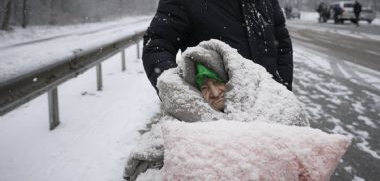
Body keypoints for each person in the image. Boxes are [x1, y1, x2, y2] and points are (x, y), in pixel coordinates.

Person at [124, 40, 310, 180]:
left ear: (230, 79)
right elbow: (142, 162)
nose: (213, 92)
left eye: (217, 82)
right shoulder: (183, 119)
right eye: (204, 87)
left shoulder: (265, 101)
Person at [142, 0, 294, 93]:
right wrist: (186, 97)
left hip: (268, 111)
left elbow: (282, 46)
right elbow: (156, 48)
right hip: (217, 117)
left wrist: (282, 90)